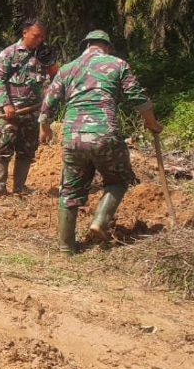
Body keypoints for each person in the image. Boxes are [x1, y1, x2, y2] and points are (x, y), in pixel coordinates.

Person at [39, 30, 162, 254]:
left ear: (86, 46)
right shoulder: (117, 64)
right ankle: (100, 220)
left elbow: (48, 103)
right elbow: (137, 97)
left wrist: (44, 129)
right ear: (107, 47)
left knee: (69, 191)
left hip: (73, 137)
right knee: (119, 180)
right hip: (105, 134)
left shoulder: (67, 68)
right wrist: (151, 123)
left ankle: (66, 248)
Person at [0, 18, 60, 198]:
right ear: (25, 33)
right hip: (10, 112)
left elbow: (57, 79)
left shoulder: (44, 54)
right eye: (36, 36)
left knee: (26, 150)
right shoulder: (9, 54)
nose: (40, 40)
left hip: (33, 112)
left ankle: (20, 187)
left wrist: (51, 64)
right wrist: (6, 104)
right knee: (2, 147)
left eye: (43, 37)